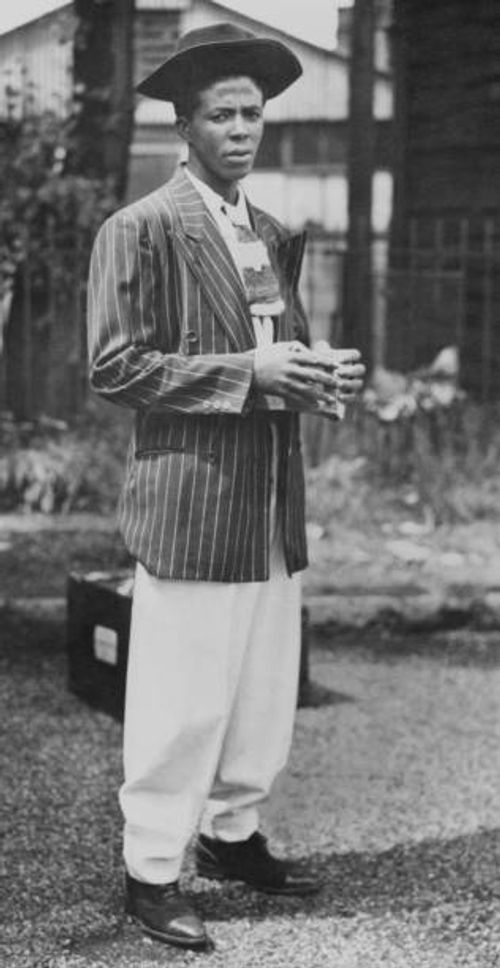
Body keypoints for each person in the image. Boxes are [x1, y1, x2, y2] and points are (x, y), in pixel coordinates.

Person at [87, 21, 364, 953]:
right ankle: (152, 871)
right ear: (185, 126)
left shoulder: (271, 233)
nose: (243, 129)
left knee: (258, 694)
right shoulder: (141, 229)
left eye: (253, 114)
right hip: (193, 499)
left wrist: (317, 377)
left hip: (272, 500)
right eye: (222, 114)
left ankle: (234, 835)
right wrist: (250, 375)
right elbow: (116, 367)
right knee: (182, 700)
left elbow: (272, 347)